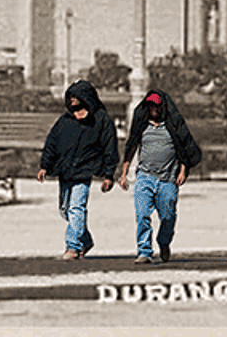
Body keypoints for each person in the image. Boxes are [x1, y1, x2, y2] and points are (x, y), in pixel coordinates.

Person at [116, 89, 202, 264]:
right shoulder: (142, 125)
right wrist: (123, 174)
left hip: (168, 179)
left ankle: (163, 242)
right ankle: (144, 251)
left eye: (156, 105)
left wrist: (183, 170)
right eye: (150, 105)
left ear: (162, 106)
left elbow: (184, 148)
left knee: (168, 217)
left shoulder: (172, 125)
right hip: (145, 177)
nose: (153, 109)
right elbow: (131, 147)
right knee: (142, 215)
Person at [36, 79, 118, 259]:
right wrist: (45, 166)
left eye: (76, 95)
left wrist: (108, 175)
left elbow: (110, 148)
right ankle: (85, 240)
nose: (72, 99)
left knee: (76, 208)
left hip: (84, 171)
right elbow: (52, 143)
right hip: (65, 171)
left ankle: (72, 247)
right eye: (70, 96)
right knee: (65, 210)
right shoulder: (65, 120)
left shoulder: (101, 119)